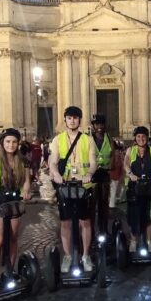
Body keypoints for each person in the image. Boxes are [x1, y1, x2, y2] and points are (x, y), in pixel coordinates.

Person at [48, 106, 98, 273]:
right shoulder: (58, 140)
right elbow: (53, 161)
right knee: (66, 222)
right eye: (69, 118)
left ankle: (85, 255)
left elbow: (93, 162)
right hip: (65, 186)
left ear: (80, 120)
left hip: (83, 186)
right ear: (65, 120)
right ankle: (68, 256)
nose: (72, 120)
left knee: (85, 221)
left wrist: (90, 173)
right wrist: (55, 174)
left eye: (76, 118)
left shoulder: (87, 140)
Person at [0, 128, 31, 278]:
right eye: (8, 141)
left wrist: (26, 191)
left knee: (13, 239)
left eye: (14, 142)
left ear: (18, 143)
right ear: (2, 143)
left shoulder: (23, 161)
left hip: (15, 201)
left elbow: (27, 182)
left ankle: (9, 271)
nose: (11, 145)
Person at [90, 114, 114, 237]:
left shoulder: (109, 139)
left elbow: (113, 155)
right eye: (97, 124)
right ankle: (91, 232)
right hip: (92, 175)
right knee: (92, 205)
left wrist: (111, 167)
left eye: (101, 124)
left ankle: (104, 229)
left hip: (104, 174)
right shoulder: (88, 139)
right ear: (93, 126)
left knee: (104, 205)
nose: (99, 126)